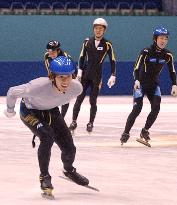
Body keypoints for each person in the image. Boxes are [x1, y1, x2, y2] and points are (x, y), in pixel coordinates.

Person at [4, 56, 89, 197]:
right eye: (61, 77)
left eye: (68, 77)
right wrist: (10, 110)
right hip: (30, 110)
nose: (65, 81)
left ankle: (69, 170)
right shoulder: (38, 86)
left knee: (69, 147)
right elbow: (12, 91)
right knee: (47, 136)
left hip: (51, 110)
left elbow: (56, 98)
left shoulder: (77, 88)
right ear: (52, 76)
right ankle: (44, 177)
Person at [120, 26, 177, 146]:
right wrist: (136, 80)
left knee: (156, 108)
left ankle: (145, 131)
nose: (163, 41)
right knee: (137, 109)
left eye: (166, 38)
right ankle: (126, 132)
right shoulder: (146, 51)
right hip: (140, 84)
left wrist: (174, 85)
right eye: (161, 38)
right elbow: (136, 67)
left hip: (154, 85)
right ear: (155, 39)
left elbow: (172, 71)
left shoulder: (168, 55)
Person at [69, 17, 117, 133]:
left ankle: (90, 123)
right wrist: (79, 71)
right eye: (96, 28)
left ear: (104, 30)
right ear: (93, 29)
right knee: (79, 99)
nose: (98, 30)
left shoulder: (107, 44)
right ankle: (73, 121)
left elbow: (113, 60)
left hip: (97, 76)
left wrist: (113, 75)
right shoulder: (87, 42)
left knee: (93, 101)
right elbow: (81, 57)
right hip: (85, 75)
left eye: (100, 28)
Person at [44, 40, 76, 118]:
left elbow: (74, 71)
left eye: (53, 52)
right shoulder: (47, 55)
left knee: (65, 98)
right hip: (55, 76)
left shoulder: (66, 57)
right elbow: (49, 69)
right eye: (49, 52)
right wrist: (52, 78)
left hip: (66, 77)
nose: (51, 55)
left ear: (58, 51)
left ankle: (62, 117)